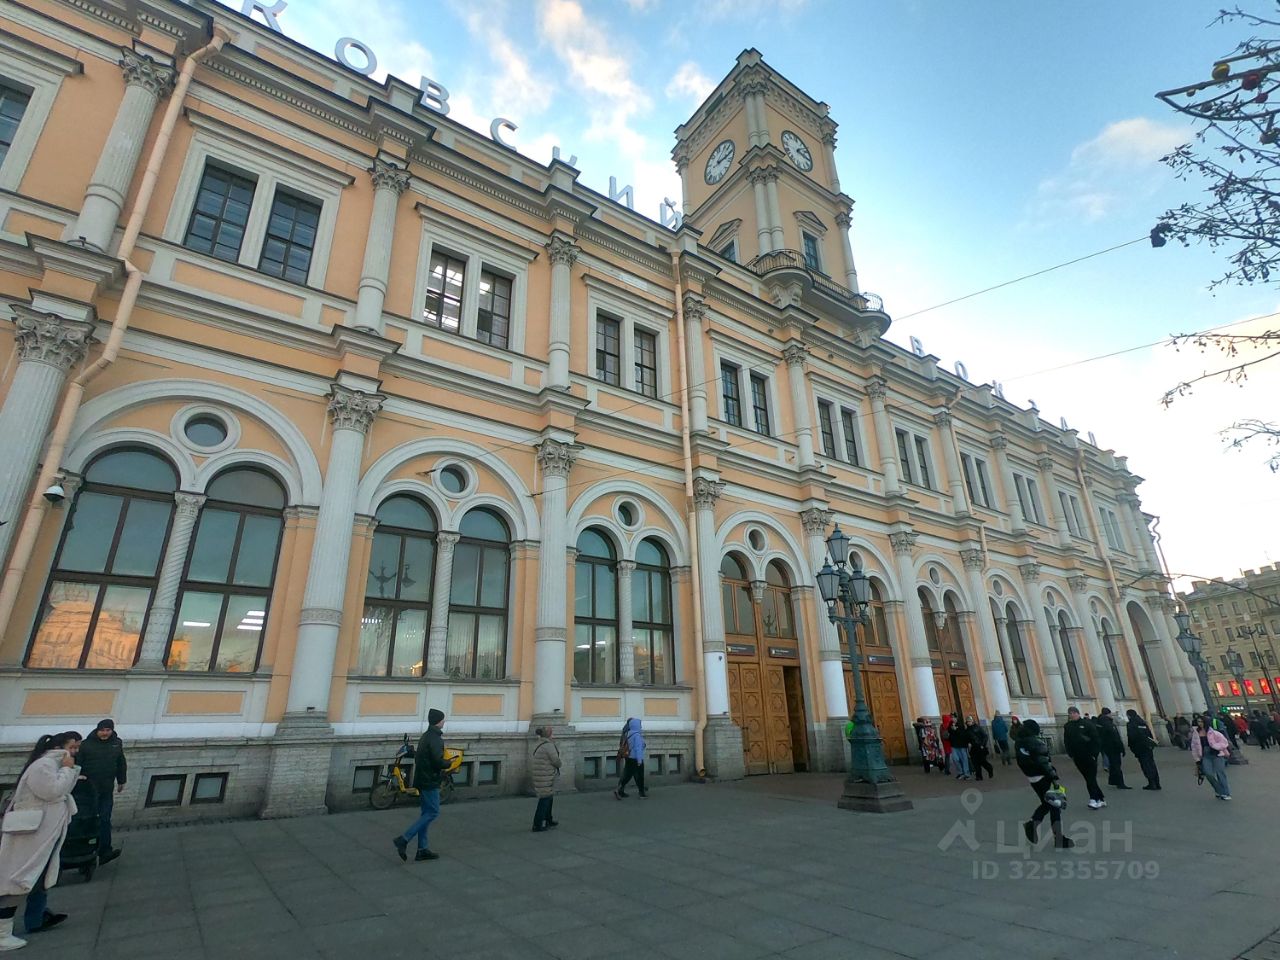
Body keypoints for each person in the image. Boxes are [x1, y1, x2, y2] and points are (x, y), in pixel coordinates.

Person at [0, 731, 82, 948]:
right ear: (58, 747)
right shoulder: (43, 765)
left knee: (37, 878)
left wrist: (70, 771)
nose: (75, 752)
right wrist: (68, 769)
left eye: (77, 748)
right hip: (31, 836)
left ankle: (36, 918)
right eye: (72, 747)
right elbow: (52, 791)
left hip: (43, 834)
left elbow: (60, 790)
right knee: (18, 880)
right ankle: (2, 934)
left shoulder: (52, 765)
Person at [393, 708, 447, 863]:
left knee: (426, 814)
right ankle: (404, 839)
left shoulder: (426, 736)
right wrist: (448, 763)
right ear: (438, 721)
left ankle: (422, 850)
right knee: (433, 812)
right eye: (443, 719)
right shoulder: (436, 739)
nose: (444, 721)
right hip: (430, 780)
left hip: (422, 779)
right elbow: (437, 761)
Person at [1015, 719, 1073, 849]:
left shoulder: (1019, 743)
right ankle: (1058, 838)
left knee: (1047, 803)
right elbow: (1044, 762)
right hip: (1043, 777)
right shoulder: (1036, 743)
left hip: (1032, 778)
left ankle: (1033, 823)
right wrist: (1053, 777)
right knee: (1054, 805)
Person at [75, 719, 126, 866]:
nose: (105, 733)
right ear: (97, 730)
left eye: (108, 730)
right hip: (88, 790)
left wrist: (121, 780)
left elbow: (120, 762)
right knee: (88, 820)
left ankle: (105, 851)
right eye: (102, 730)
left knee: (105, 819)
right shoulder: (86, 745)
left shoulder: (117, 743)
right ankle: (84, 852)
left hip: (106, 788)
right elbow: (78, 763)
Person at [1063, 707, 1105, 809]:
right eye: (1070, 713)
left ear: (1078, 713)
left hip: (1089, 755)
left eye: (1074, 713)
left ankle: (1093, 799)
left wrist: (1094, 754)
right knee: (1088, 778)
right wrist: (1070, 753)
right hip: (1077, 757)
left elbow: (1096, 739)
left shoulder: (1087, 724)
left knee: (1090, 778)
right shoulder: (1068, 726)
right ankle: (1100, 799)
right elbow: (1067, 740)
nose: (1072, 715)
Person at [1190, 714, 1233, 801]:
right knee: (1208, 773)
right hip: (1205, 756)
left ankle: (1226, 792)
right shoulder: (1196, 734)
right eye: (1198, 722)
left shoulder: (1213, 732)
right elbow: (1194, 747)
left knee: (1220, 773)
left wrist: (1215, 746)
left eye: (1201, 722)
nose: (1200, 723)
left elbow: (1224, 742)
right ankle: (1218, 790)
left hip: (1217, 754)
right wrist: (1197, 759)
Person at [530, 726, 561, 832]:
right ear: (549, 735)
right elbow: (556, 760)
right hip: (546, 776)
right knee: (544, 800)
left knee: (548, 798)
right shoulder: (548, 745)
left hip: (541, 774)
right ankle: (537, 824)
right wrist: (560, 764)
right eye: (552, 733)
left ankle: (548, 819)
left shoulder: (539, 743)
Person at [1126, 709, 1161, 790]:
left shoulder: (1131, 724)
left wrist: (1132, 747)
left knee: (1145, 765)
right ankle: (1157, 783)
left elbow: (1131, 737)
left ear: (1129, 716)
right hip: (1148, 747)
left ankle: (1151, 783)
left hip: (1139, 748)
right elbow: (1149, 734)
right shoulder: (1142, 722)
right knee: (1152, 764)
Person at [613, 718, 647, 799]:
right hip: (636, 758)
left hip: (628, 757)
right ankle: (642, 794)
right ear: (636, 725)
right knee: (639, 776)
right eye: (640, 725)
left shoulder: (627, 733)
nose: (641, 727)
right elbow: (638, 748)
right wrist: (639, 760)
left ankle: (619, 789)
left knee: (627, 775)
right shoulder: (637, 735)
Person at [1097, 708, 1130, 789]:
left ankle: (1113, 781)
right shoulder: (1108, 723)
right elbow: (1115, 737)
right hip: (1113, 747)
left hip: (1107, 747)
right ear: (1108, 714)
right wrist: (1121, 748)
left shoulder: (1100, 722)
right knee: (1116, 765)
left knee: (1113, 764)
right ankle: (1120, 783)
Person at [948, 713, 972, 780]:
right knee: (955, 759)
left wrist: (956, 730)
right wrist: (951, 730)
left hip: (962, 745)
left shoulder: (961, 725)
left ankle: (967, 774)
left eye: (954, 717)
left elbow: (963, 734)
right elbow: (949, 733)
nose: (952, 719)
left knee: (964, 759)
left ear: (956, 718)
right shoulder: (950, 725)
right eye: (951, 717)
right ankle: (960, 772)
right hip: (954, 745)